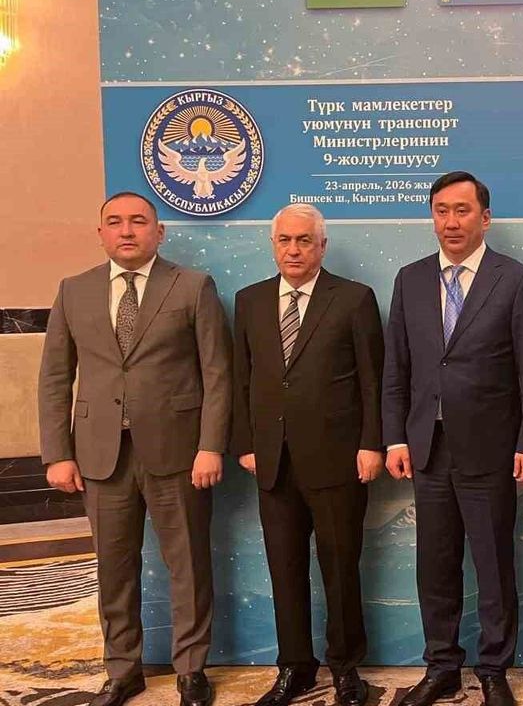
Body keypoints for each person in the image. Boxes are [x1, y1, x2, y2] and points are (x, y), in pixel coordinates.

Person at [38, 191, 231, 706]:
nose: (127, 230)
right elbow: (55, 377)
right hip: (99, 456)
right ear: (100, 233)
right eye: (116, 222)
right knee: (113, 568)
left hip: (179, 453)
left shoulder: (193, 286)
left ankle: (191, 670)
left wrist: (211, 445)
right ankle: (122, 671)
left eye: (139, 221)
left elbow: (217, 373)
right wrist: (58, 452)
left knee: (188, 565)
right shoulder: (74, 290)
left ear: (159, 232)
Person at [382, 171, 523, 706]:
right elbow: (396, 369)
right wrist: (395, 438)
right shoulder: (409, 279)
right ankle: (442, 666)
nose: (451, 221)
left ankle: (494, 668)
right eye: (441, 211)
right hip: (427, 448)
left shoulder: (515, 281)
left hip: (491, 450)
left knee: (493, 564)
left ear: (485, 218)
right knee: (435, 563)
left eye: (462, 210)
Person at [231, 204, 384, 706]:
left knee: (340, 570)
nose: (293, 250)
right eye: (285, 240)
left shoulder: (354, 299)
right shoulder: (250, 301)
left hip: (339, 461)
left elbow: (372, 380)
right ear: (273, 245)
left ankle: (346, 668)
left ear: (322, 246)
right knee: (285, 569)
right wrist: (246, 444)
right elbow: (241, 379)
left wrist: (371, 443)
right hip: (273, 463)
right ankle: (294, 667)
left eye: (304, 241)